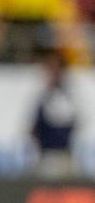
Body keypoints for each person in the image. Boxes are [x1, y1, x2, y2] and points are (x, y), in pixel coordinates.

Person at [29, 46, 79, 178]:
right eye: (48, 68)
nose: (51, 72)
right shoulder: (43, 95)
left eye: (54, 68)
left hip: (61, 157)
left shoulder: (67, 95)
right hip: (45, 156)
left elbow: (68, 123)